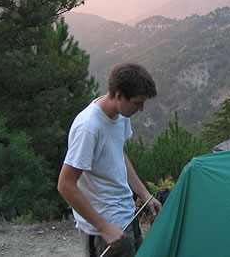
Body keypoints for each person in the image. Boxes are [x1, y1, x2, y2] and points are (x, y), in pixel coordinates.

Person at [58, 63, 162, 257]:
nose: (141, 109)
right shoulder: (88, 128)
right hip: (103, 232)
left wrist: (145, 196)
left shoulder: (121, 115)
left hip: (126, 217)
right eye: (137, 103)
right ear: (119, 95)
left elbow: (119, 155)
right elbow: (65, 185)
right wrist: (104, 227)